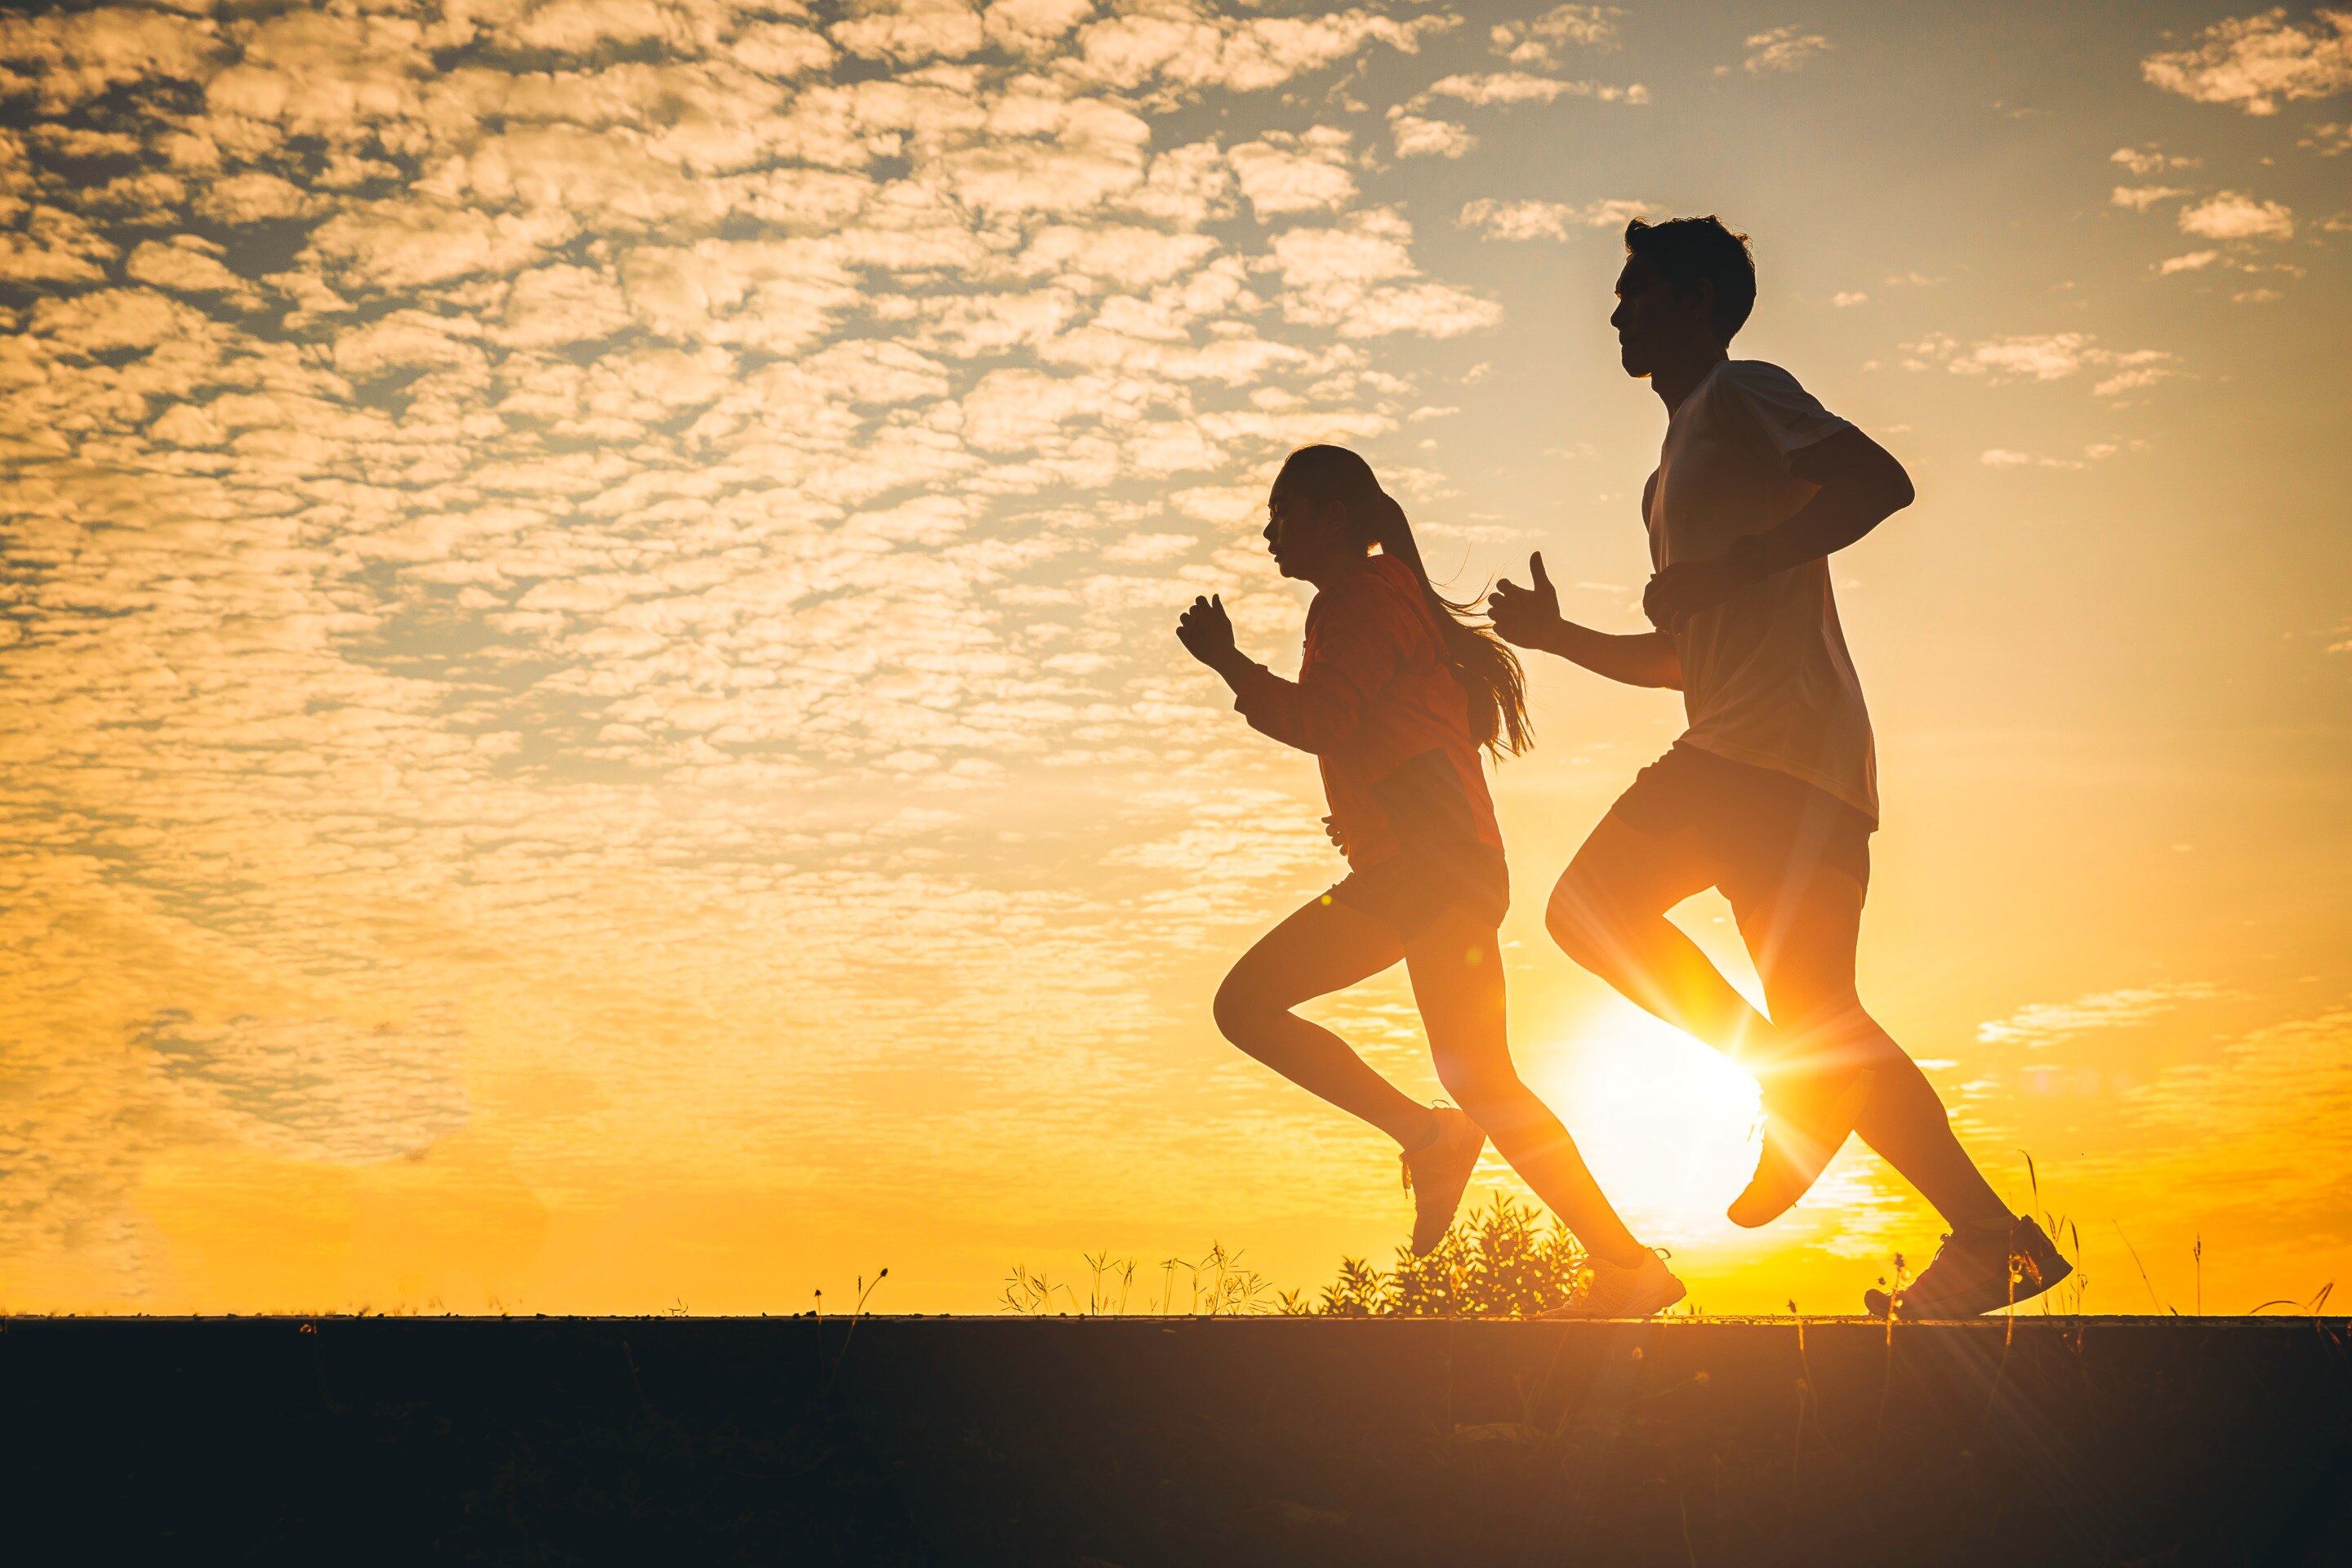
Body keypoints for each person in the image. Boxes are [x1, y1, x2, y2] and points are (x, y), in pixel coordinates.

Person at [1487, 217, 2069, 1320]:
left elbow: (1880, 481)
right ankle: (1996, 1240)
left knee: (1587, 912)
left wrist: (1742, 562)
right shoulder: (1666, 475)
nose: (1616, 311)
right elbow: (1684, 659)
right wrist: (1560, 639)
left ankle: (1792, 1086)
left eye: (1638, 291)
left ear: (1698, 302)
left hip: (1765, 750)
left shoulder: (1740, 394)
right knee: (1827, 1025)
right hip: (1792, 758)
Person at [1177, 443, 1685, 1317]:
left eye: (1283, 513)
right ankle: (1625, 1265)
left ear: (1334, 516)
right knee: (1484, 1078)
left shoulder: (1361, 597)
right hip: (1440, 863)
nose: (1270, 534)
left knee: (1247, 1005)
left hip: (1428, 867)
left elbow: (1326, 718)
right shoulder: (1381, 595)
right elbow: (1391, 732)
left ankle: (1431, 1137)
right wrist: (1363, 812)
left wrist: (1231, 664)